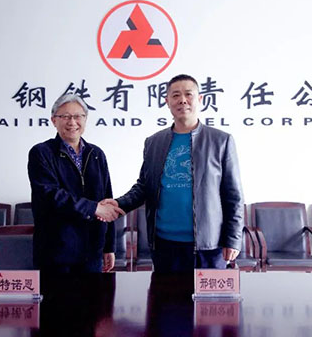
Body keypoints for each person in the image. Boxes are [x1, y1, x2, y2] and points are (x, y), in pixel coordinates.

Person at [101, 74, 244, 272]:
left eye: (188, 94)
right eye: (175, 95)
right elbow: (144, 186)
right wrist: (119, 204)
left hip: (209, 246)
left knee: (207, 294)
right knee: (165, 293)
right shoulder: (154, 142)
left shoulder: (221, 141)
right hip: (164, 244)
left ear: (200, 99)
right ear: (167, 101)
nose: (182, 100)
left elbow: (233, 196)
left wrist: (233, 239)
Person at [28, 94, 124, 275]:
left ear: (85, 119)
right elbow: (50, 196)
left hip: (92, 251)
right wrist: (94, 208)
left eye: (78, 116)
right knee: (55, 295)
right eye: (65, 116)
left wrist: (109, 246)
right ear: (54, 120)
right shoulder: (41, 153)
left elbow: (107, 200)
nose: (72, 122)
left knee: (94, 295)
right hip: (56, 252)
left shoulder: (96, 154)